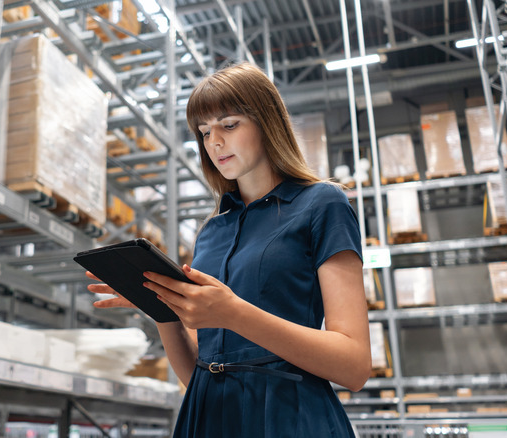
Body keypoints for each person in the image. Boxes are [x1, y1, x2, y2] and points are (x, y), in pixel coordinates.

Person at [87, 62, 371, 437]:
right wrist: (161, 307)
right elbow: (199, 372)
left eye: (229, 125)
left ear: (267, 122)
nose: (214, 142)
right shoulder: (211, 232)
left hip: (289, 419)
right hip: (208, 417)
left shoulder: (323, 204)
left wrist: (234, 313)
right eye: (204, 132)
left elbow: (354, 365)